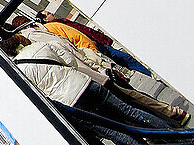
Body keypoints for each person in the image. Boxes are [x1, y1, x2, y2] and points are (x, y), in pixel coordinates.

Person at [0, 34, 174, 145]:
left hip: (71, 104)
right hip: (85, 85)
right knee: (127, 110)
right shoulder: (40, 47)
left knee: (113, 132)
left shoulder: (18, 71)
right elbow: (71, 61)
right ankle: (176, 135)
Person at [11, 18, 190, 127]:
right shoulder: (46, 33)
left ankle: (171, 117)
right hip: (91, 72)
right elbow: (71, 46)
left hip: (90, 75)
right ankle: (166, 121)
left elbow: (72, 52)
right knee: (130, 100)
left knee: (130, 101)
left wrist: (94, 59)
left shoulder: (38, 39)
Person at [38, 11, 153, 77]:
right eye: (48, 14)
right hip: (89, 47)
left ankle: (147, 70)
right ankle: (149, 71)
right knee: (122, 58)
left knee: (121, 58)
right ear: (45, 19)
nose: (51, 13)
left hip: (93, 42)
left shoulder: (61, 22)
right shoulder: (52, 28)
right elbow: (70, 38)